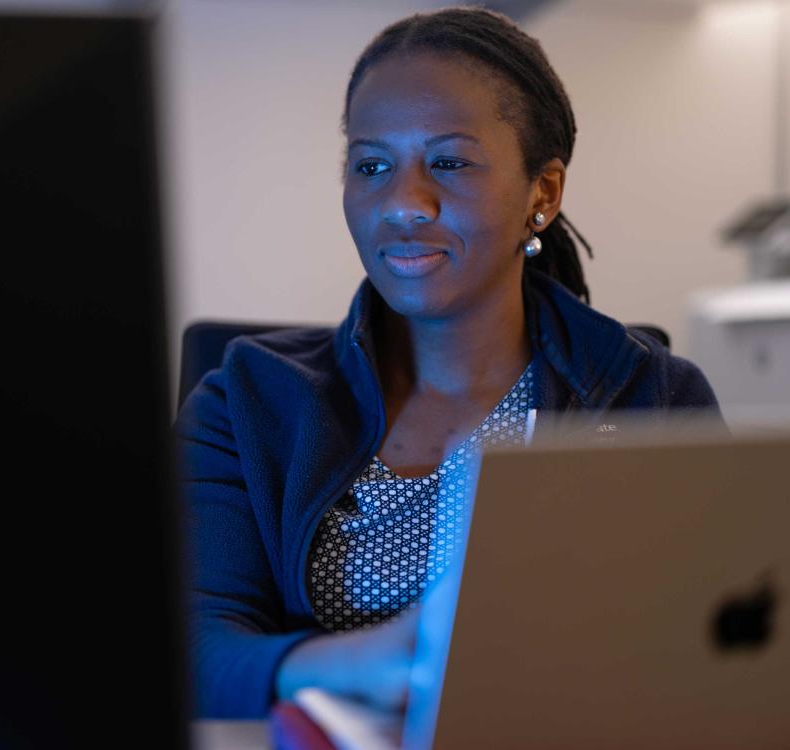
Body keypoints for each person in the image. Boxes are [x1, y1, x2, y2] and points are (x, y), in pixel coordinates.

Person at [174, 5, 720, 721]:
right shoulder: (245, 399)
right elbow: (189, 643)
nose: (403, 203)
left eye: (449, 162)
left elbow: (713, 653)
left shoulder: (650, 398)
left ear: (543, 194)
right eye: (372, 165)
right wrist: (364, 666)